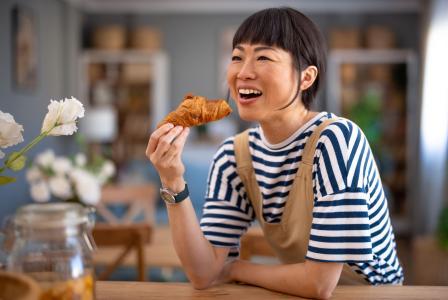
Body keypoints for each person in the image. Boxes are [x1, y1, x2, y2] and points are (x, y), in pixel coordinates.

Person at [146, 7, 403, 299]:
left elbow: (319, 284)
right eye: (237, 57)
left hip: (374, 294)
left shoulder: (336, 140)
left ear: (306, 78)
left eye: (264, 57)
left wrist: (234, 269)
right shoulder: (233, 156)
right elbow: (204, 273)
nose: (243, 72)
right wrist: (173, 181)